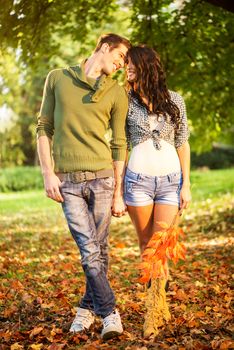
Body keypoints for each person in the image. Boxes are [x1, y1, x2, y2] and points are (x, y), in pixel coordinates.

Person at [36, 33, 131, 340]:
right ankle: (110, 314)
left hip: (103, 180)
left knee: (98, 252)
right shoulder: (58, 79)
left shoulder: (116, 92)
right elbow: (44, 128)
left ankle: (85, 310)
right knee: (90, 252)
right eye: (118, 57)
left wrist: (118, 192)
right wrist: (48, 173)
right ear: (104, 48)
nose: (119, 64)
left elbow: (119, 143)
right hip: (69, 183)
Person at [124, 45, 191, 335]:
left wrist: (186, 183)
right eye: (125, 63)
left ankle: (153, 312)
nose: (127, 68)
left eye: (132, 64)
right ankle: (157, 302)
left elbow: (183, 142)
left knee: (161, 246)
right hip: (137, 181)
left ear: (146, 66)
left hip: (170, 181)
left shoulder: (175, 100)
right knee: (146, 246)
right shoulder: (124, 101)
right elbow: (120, 144)